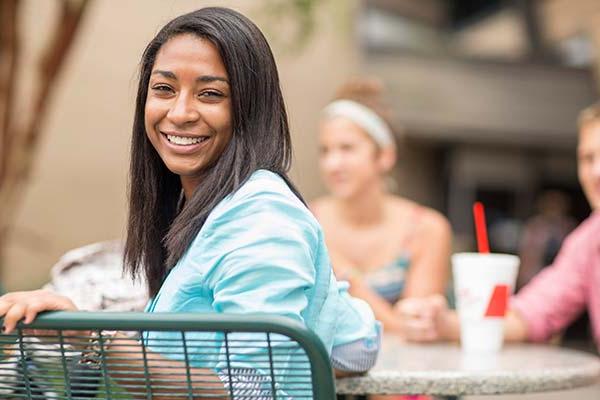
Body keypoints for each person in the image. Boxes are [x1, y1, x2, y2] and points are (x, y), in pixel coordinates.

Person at [0, 7, 380, 398]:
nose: (179, 113)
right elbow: (357, 346)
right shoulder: (211, 208)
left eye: (210, 94)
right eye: (164, 89)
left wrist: (94, 338)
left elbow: (250, 392)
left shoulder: (263, 219)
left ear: (249, 108)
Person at [403, 101, 600, 349]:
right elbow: (533, 313)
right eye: (587, 158)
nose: (597, 171)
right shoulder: (588, 240)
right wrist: (443, 324)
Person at [310, 78, 452, 341]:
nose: (332, 164)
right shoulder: (305, 220)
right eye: (325, 151)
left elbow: (416, 329)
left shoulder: (426, 229)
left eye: (347, 148)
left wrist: (344, 274)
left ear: (385, 156)